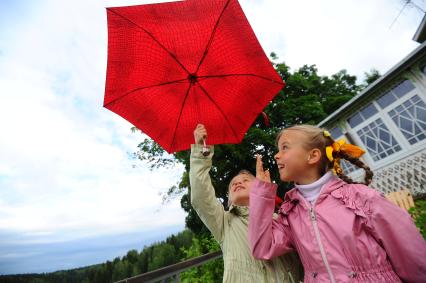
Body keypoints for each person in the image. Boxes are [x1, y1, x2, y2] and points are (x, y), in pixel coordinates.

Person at [248, 124, 426, 283]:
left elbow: (411, 255)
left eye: (284, 147)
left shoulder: (361, 198)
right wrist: (262, 193)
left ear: (313, 156)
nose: (276, 155)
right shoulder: (290, 212)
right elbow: (262, 248)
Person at [190, 124, 303, 283]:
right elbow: (200, 196)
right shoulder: (224, 223)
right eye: (233, 184)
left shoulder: (280, 218)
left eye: (245, 180)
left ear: (259, 185)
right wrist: (202, 151)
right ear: (229, 199)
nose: (237, 183)